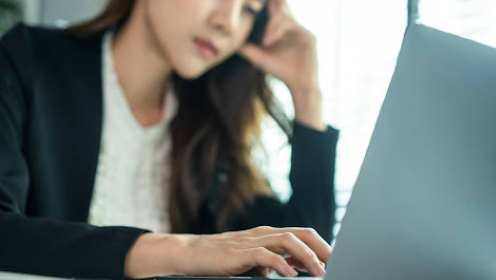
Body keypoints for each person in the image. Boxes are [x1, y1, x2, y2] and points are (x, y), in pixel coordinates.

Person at [0, 0, 339, 279]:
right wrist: (184, 251)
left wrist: (307, 92)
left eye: (249, 9)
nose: (228, 22)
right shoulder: (28, 59)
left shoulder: (212, 128)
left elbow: (306, 261)